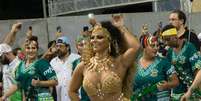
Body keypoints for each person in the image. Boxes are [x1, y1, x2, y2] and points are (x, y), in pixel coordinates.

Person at [68, 15, 140, 101]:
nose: (94, 40)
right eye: (92, 37)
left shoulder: (119, 62)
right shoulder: (83, 66)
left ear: (109, 40)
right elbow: (71, 91)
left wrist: (120, 27)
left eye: (99, 37)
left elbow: (136, 47)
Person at [1, 35, 58, 101]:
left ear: (37, 49)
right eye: (28, 48)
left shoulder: (42, 63)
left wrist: (40, 83)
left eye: (33, 48)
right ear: (25, 50)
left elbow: (55, 81)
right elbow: (18, 85)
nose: (31, 50)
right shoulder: (20, 66)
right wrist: (4, 97)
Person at [132, 35, 179, 101]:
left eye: (157, 45)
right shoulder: (134, 63)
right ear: (144, 47)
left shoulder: (163, 62)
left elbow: (176, 82)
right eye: (152, 45)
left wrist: (167, 85)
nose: (156, 48)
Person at [161, 24, 198, 100]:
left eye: (167, 39)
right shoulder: (170, 52)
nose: (166, 43)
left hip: (192, 93)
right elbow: (168, 74)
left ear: (175, 36)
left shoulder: (189, 47)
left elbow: (198, 71)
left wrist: (190, 91)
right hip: (176, 95)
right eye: (164, 40)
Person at [50, 36, 80, 101]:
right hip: (60, 98)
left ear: (67, 47)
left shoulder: (77, 59)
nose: (58, 48)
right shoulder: (53, 62)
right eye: (57, 46)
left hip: (76, 98)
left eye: (60, 46)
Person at [72, 35, 90, 101]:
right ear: (77, 48)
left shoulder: (95, 59)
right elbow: (74, 87)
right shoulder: (75, 63)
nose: (84, 47)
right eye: (81, 45)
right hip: (84, 96)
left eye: (86, 44)